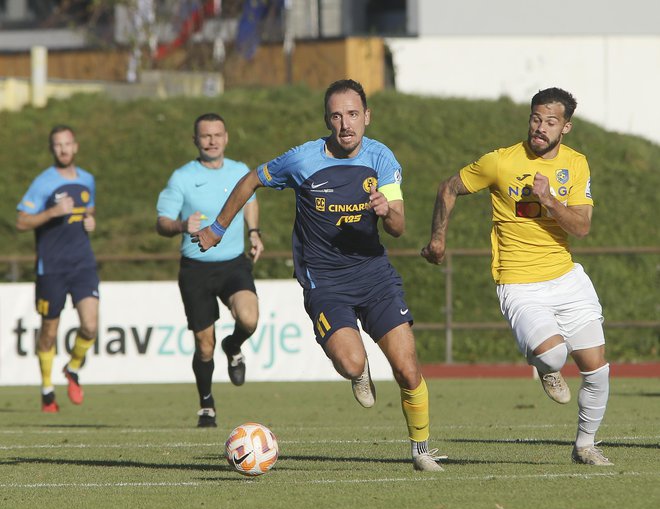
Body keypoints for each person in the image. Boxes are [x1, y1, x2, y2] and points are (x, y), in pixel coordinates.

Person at [192, 79, 444, 471]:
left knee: (408, 369)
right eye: (337, 116)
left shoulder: (381, 159)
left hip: (374, 276)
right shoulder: (303, 159)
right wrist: (219, 228)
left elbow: (398, 227)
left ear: (367, 117)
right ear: (328, 119)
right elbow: (251, 180)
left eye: (354, 114)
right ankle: (358, 374)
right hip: (325, 282)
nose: (346, 124)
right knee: (350, 362)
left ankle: (421, 449)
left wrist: (386, 210)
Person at [421, 87, 613, 466]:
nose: (540, 127)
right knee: (555, 355)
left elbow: (582, 227)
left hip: (566, 277)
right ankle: (546, 368)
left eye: (551, 122)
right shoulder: (501, 162)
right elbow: (449, 187)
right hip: (519, 282)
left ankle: (585, 446)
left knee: (597, 369)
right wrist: (437, 238)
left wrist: (550, 200)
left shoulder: (576, 164)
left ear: (566, 127)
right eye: (536, 118)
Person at [156, 113, 263, 428]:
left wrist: (254, 232)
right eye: (205, 136)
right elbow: (161, 222)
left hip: (233, 263)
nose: (212, 141)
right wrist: (179, 225)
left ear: (226, 137)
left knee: (249, 318)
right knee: (204, 345)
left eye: (217, 135)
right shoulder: (182, 177)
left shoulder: (240, 171)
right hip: (196, 268)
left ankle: (234, 346)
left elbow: (251, 201)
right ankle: (206, 405)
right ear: (195, 141)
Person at [16, 125, 99, 413]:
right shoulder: (43, 183)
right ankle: (47, 391)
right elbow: (21, 221)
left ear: (75, 146)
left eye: (67, 144)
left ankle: (73, 368)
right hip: (51, 268)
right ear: (52, 149)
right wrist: (52, 212)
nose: (63, 149)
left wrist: (91, 222)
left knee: (90, 326)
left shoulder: (88, 179)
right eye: (57, 145)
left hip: (83, 264)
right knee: (49, 331)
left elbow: (89, 212)